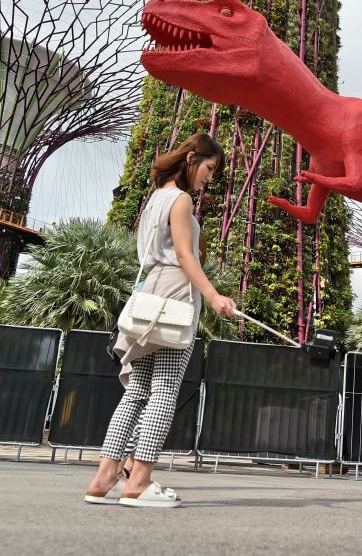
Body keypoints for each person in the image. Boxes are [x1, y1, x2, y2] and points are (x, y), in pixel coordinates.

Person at [85, 133, 237, 508]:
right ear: (191, 158)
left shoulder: (154, 199)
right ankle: (139, 482)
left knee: (136, 391)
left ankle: (105, 477)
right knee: (165, 392)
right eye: (209, 168)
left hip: (148, 294)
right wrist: (214, 295)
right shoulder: (182, 200)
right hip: (174, 296)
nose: (209, 177)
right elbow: (187, 258)